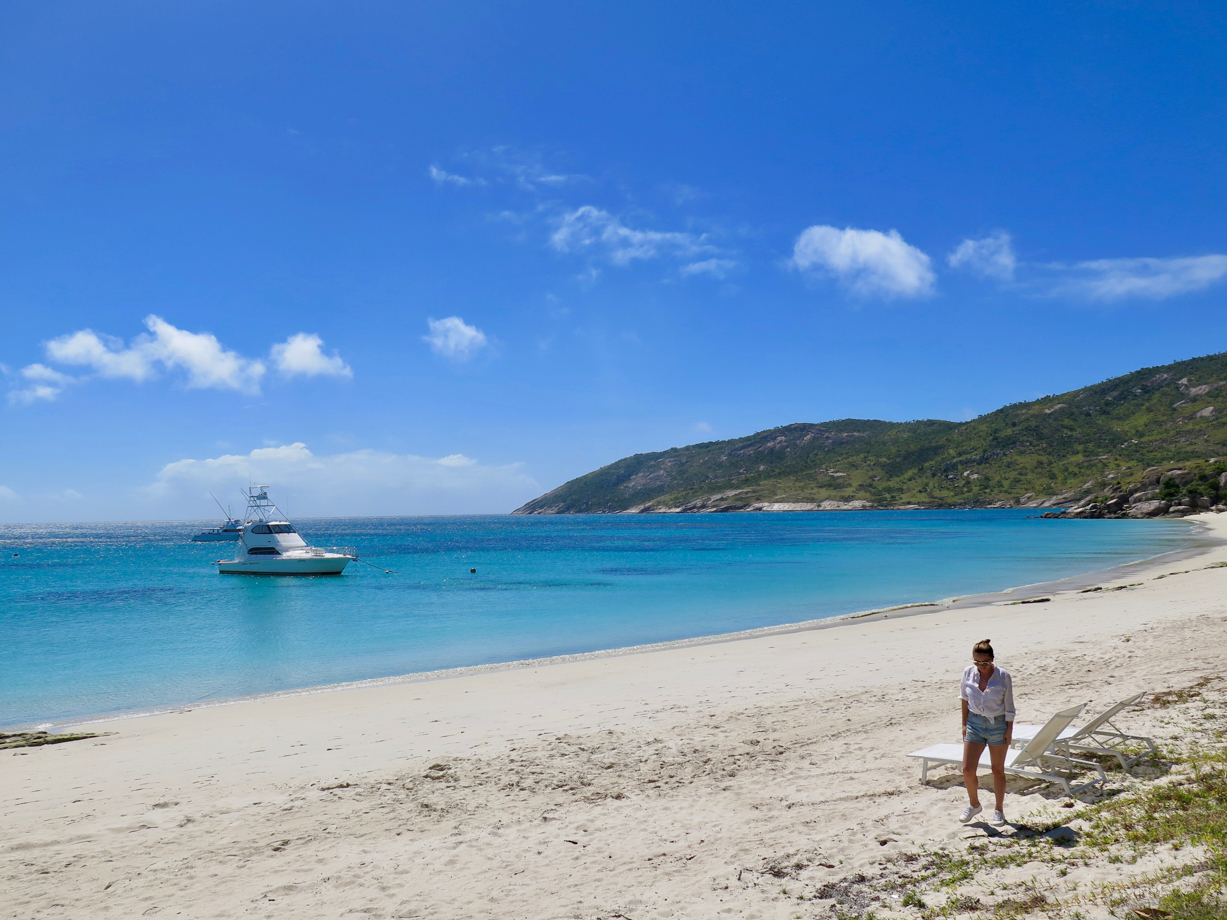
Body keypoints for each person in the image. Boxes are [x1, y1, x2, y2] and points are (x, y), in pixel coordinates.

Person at [959, 638, 1014, 826]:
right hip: (974, 723)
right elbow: (964, 699)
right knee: (967, 769)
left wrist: (1009, 729)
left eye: (985, 663)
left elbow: (1009, 706)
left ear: (992, 659)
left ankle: (999, 809)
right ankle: (974, 804)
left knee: (997, 770)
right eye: (977, 662)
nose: (981, 666)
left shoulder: (1003, 676)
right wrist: (964, 724)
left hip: (997, 724)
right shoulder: (968, 672)